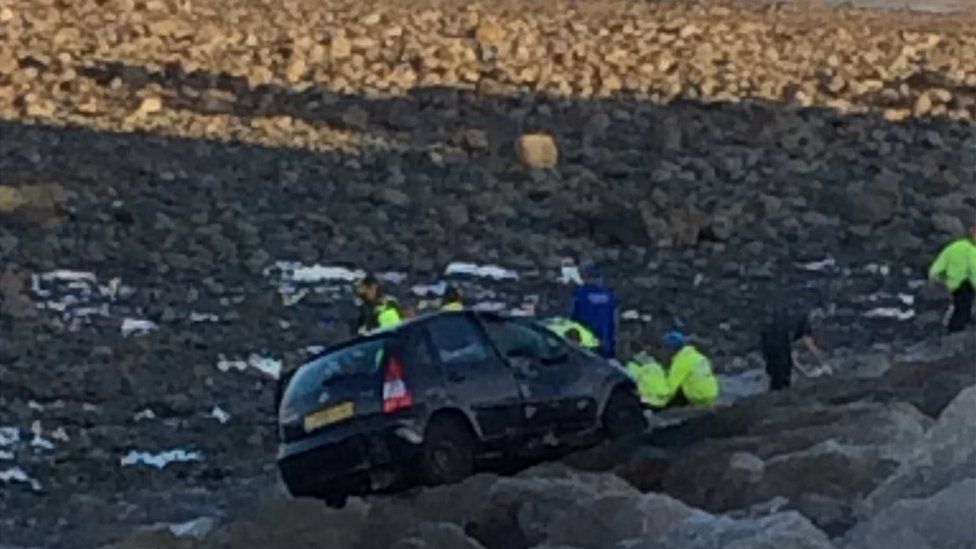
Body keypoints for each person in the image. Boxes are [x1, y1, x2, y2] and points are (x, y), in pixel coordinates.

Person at [759, 304, 825, 391]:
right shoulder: (802, 319)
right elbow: (807, 339)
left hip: (771, 342)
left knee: (776, 373)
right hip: (778, 345)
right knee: (781, 373)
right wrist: (817, 354)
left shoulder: (793, 315)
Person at [928, 227, 976, 333]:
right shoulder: (972, 251)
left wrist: (933, 275)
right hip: (965, 283)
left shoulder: (954, 246)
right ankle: (957, 329)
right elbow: (974, 271)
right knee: (964, 307)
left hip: (951, 283)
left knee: (958, 306)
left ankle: (951, 327)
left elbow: (940, 261)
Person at [571, 261, 618, 359]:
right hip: (606, 344)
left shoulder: (579, 294)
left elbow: (571, 319)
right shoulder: (609, 295)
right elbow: (614, 321)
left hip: (585, 345)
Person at [660, 330, 719, 407]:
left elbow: (669, 388)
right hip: (712, 394)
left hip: (698, 397)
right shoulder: (694, 355)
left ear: (671, 348)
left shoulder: (681, 361)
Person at [625, 343, 671, 408]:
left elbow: (631, 384)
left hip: (650, 401)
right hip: (665, 399)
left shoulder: (632, 367)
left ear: (631, 352)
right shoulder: (655, 363)